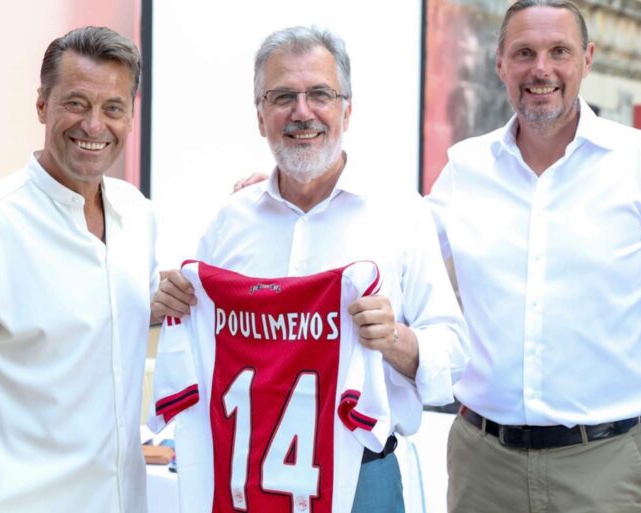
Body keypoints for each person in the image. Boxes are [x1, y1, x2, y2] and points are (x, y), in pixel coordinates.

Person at [151, 25, 470, 513]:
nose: (302, 112)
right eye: (282, 97)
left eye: (320, 94)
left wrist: (394, 339)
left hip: (362, 477)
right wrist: (172, 302)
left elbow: (455, 352)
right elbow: (200, 338)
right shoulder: (229, 223)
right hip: (246, 478)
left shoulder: (401, 214)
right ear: (260, 116)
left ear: (347, 110)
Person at [427, 2, 641, 513]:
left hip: (601, 468)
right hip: (482, 467)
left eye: (559, 52)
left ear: (587, 59)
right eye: (524, 53)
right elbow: (401, 257)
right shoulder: (464, 168)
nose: (541, 69)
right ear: (500, 64)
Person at [0, 27, 158, 513]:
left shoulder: (139, 216)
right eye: (76, 103)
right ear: (42, 105)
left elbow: (125, 310)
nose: (94, 125)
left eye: (113, 108)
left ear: (129, 115)